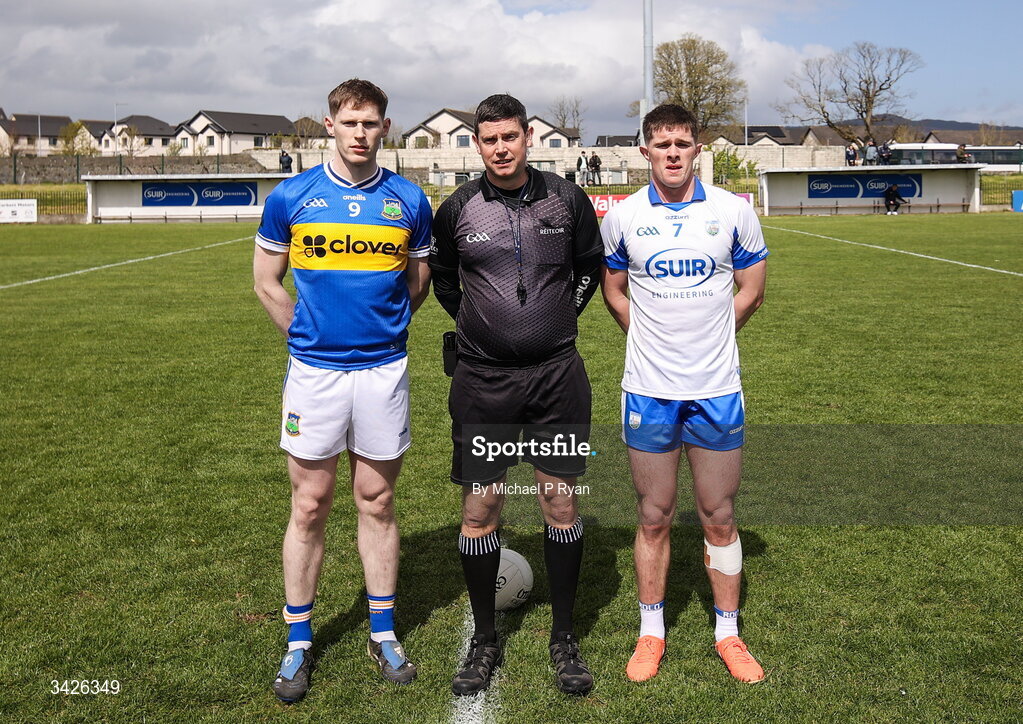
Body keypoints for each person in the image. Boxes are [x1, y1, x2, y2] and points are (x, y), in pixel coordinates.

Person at [253, 78, 432, 702]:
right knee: (310, 503)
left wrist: (382, 333)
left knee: (377, 498)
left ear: (386, 128)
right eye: (350, 122)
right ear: (330, 125)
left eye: (372, 123)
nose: (361, 133)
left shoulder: (409, 200)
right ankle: (299, 640)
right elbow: (267, 281)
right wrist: (306, 337)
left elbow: (419, 283)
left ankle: (382, 631)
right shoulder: (291, 196)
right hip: (315, 374)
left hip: (383, 371)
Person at [430, 93, 603, 697]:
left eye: (510, 137)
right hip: (483, 382)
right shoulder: (456, 209)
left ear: (527, 137)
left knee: (560, 503)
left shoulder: (567, 199)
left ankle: (563, 638)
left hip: (557, 377)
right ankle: (483, 638)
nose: (501, 148)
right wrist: (488, 328)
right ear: (477, 144)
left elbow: (588, 268)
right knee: (482, 508)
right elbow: (447, 285)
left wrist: (555, 320)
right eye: (489, 139)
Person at [600, 104, 768, 685]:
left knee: (719, 516)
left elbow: (751, 289)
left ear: (698, 149)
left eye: (682, 142)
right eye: (661, 143)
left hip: (717, 389)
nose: (672, 152)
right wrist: (652, 340)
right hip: (648, 391)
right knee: (653, 516)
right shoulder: (622, 218)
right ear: (644, 150)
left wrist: (711, 339)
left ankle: (728, 633)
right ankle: (651, 632)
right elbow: (615, 293)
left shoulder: (733, 212)